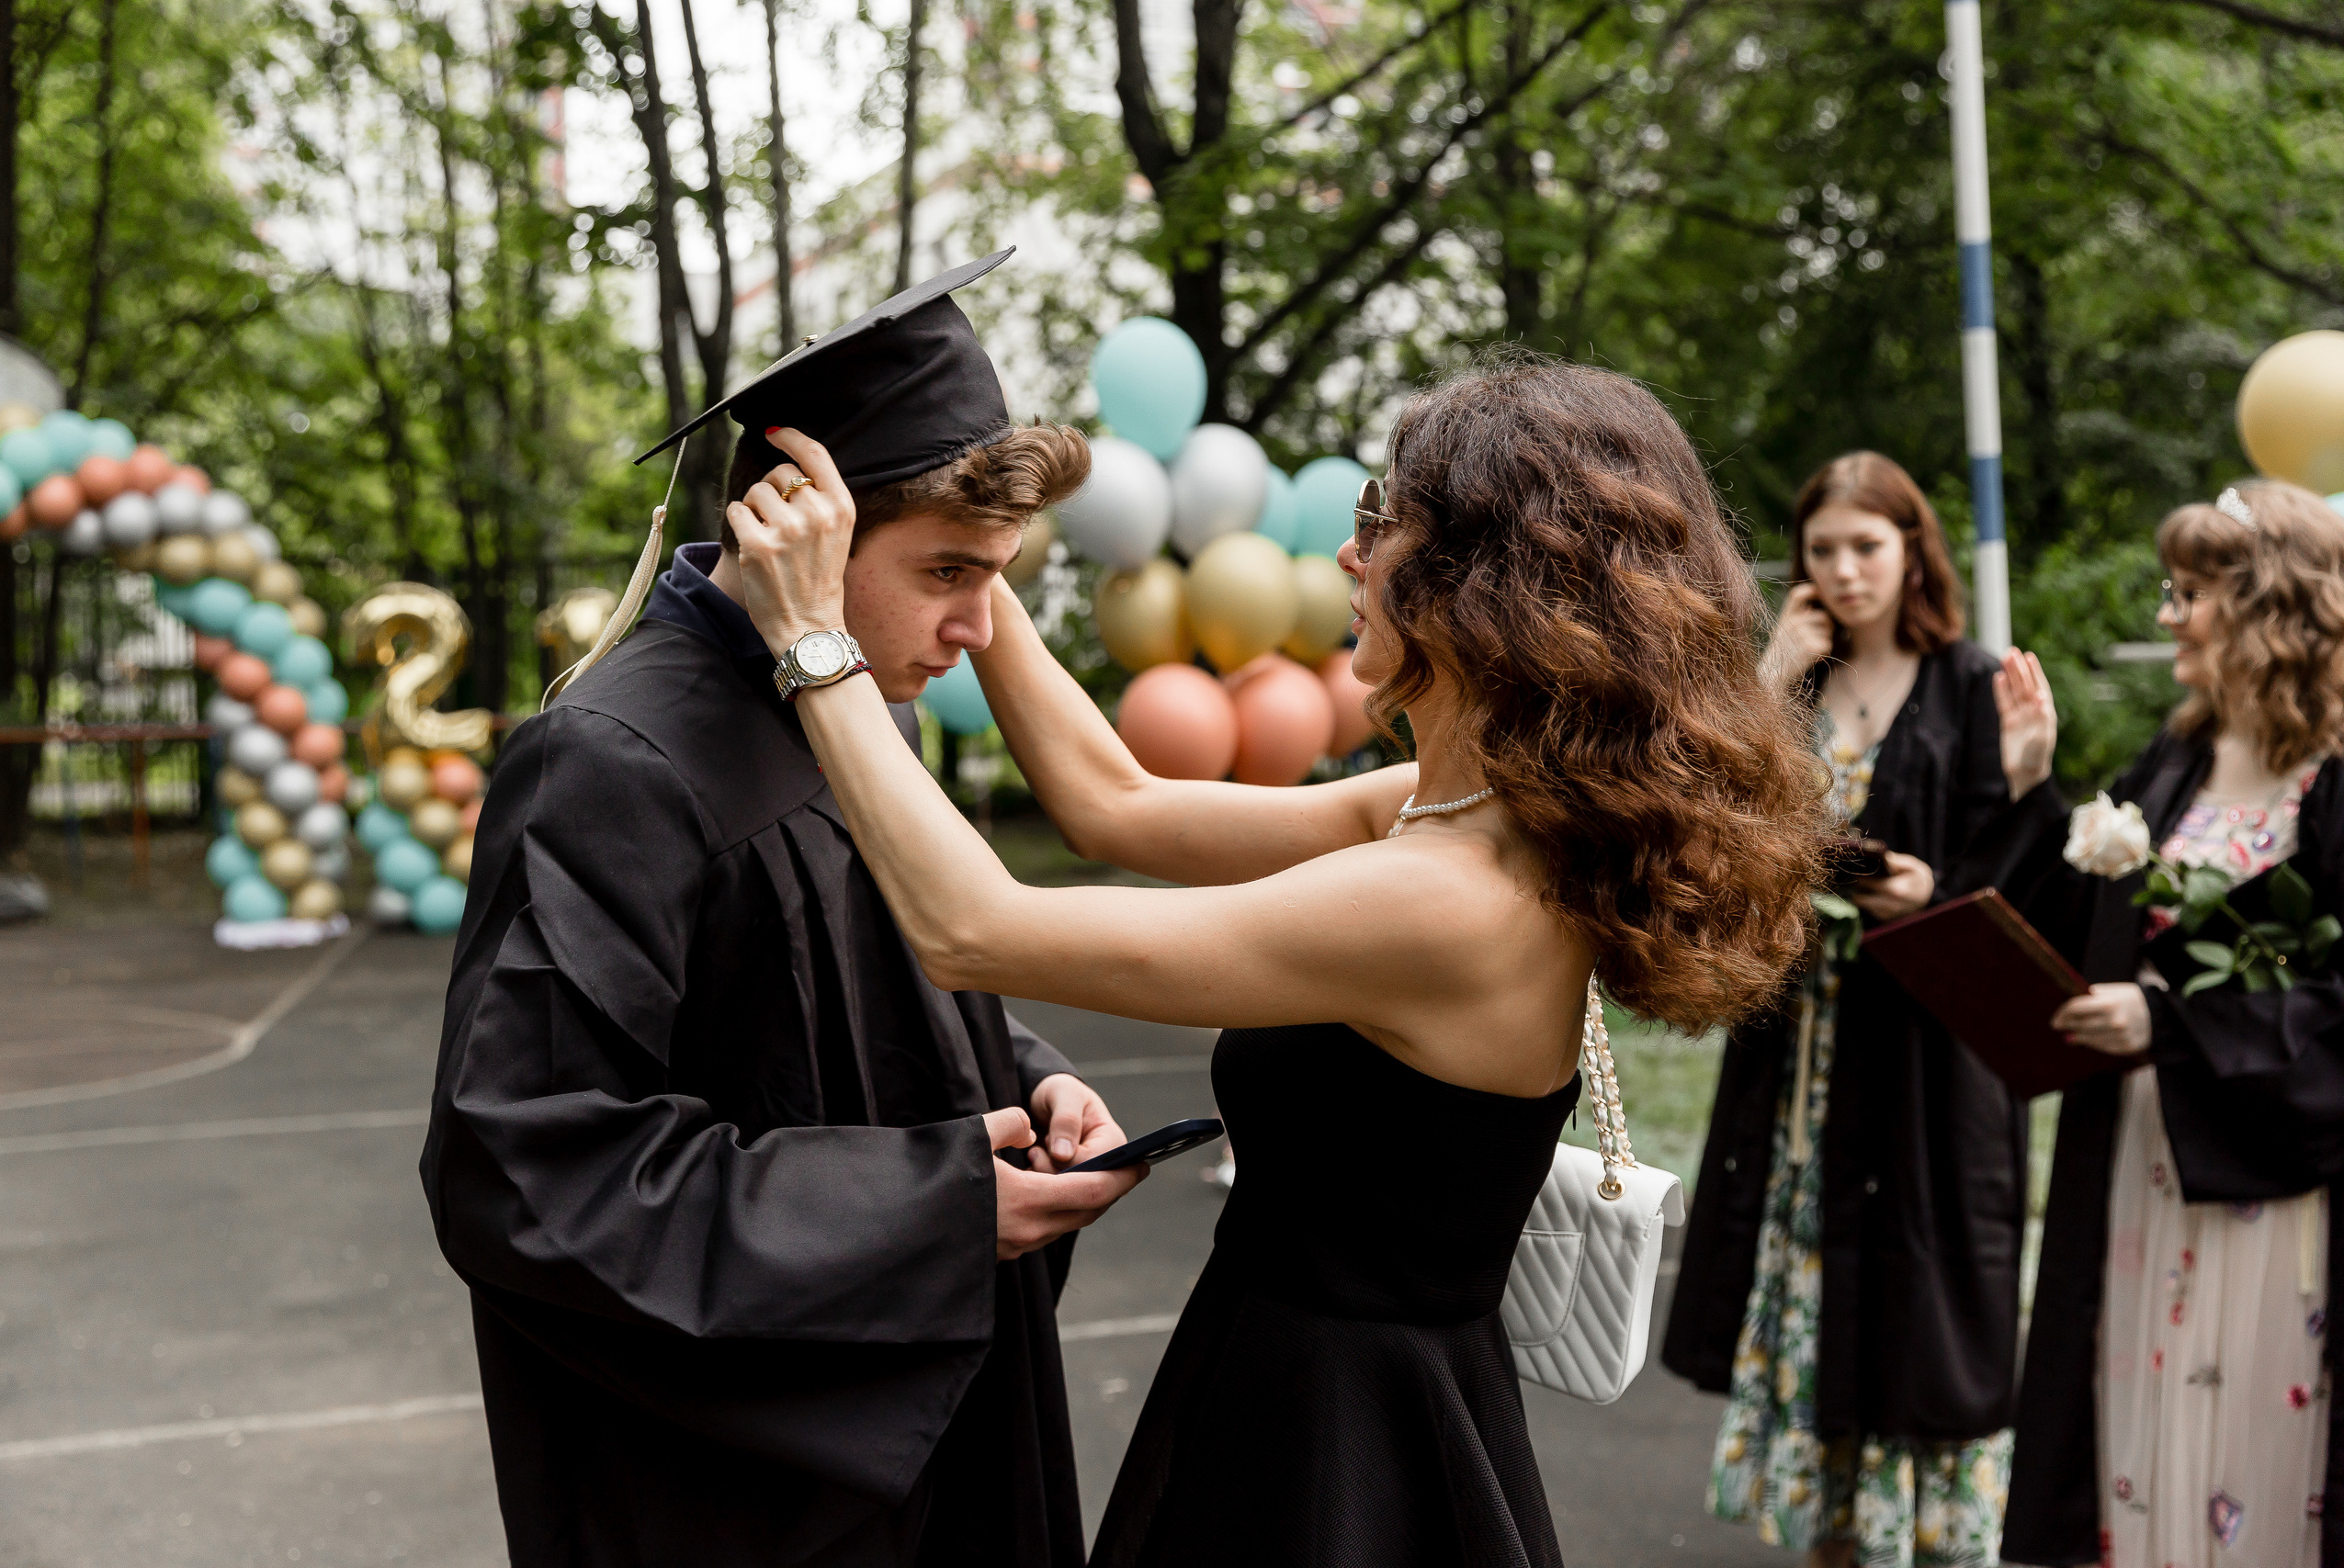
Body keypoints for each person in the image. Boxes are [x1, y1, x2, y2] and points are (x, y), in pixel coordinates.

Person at [725, 354, 1831, 1566]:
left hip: (1337, 1449)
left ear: (1483, 589)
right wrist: (977, 580)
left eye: (1386, 527)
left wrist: (814, 636)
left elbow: (973, 926)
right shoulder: (1456, 809)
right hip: (1302, 1383)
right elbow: (1117, 800)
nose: (1351, 561)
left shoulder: (1445, 899)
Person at [422, 252, 1146, 1568]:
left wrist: (1021, 1075)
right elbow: (526, 1170)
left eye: (1001, 574)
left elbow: (858, 998)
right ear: (791, 527)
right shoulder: (613, 756)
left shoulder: (846, 706)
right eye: (948, 570)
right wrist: (935, 1205)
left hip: (925, 1406)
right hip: (742, 1483)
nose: (982, 626)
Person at [1662, 451, 2029, 1567]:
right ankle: (1829, 1533)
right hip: (1805, 1044)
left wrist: (1938, 889)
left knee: (1917, 1285)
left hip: (1919, 1051)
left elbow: (2016, 873)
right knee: (1813, 1265)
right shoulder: (1802, 684)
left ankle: (1917, 1533)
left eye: (1866, 545)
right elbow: (1710, 809)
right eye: (1822, 549)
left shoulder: (1971, 683)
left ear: (1911, 549)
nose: (1844, 568)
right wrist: (1773, 670)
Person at [1984, 479, 2344, 1568]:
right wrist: (2035, 787)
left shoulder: (2331, 779)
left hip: (2272, 1192)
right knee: (2129, 1451)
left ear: (2266, 607)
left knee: (2260, 1457)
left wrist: (2171, 1030)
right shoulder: (2173, 763)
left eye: (2187, 593)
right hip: (2141, 1177)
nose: (2164, 616)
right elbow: (2101, 943)